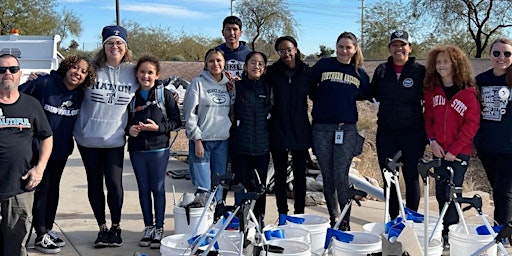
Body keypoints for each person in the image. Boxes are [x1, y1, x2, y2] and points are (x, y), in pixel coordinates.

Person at [19, 55, 95, 254]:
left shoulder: (81, 94)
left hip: (60, 152)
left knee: (52, 191)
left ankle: (46, 230)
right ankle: (37, 234)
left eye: (83, 71)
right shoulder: (44, 83)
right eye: (74, 67)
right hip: (34, 151)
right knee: (37, 192)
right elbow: (15, 98)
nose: (77, 72)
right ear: (66, 67)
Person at [73, 25, 138, 248]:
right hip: (87, 138)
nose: (115, 46)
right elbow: (67, 79)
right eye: (110, 42)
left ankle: (116, 227)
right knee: (94, 183)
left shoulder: (133, 70)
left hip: (114, 139)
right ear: (103, 46)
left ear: (126, 47)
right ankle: (101, 228)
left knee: (114, 183)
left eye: (119, 43)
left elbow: (153, 81)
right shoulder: (91, 68)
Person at [310, 32, 371, 231]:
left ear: (355, 49)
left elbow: (366, 95)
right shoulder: (323, 65)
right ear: (336, 47)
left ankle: (345, 220)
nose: (344, 51)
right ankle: (333, 217)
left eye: (348, 47)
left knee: (340, 175)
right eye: (340, 46)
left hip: (346, 130)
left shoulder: (360, 73)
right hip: (321, 128)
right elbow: (311, 89)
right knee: (327, 175)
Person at [423, 45, 480, 248]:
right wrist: (433, 141)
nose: (441, 66)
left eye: (446, 61)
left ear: (456, 64)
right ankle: (445, 231)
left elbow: (471, 125)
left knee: (453, 194)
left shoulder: (468, 93)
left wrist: (454, 150)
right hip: (439, 150)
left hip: (458, 153)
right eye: (438, 62)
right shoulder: (432, 91)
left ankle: (453, 234)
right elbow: (428, 119)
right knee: (440, 192)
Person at [369, 30, 427, 220]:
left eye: (403, 44)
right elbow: (372, 93)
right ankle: (393, 220)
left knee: (411, 177)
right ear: (390, 48)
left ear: (410, 48)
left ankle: (411, 220)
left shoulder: (420, 72)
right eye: (394, 44)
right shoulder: (382, 70)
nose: (398, 48)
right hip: (386, 133)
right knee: (389, 178)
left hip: (413, 133)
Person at [0, 54, 53, 256]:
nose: (7, 73)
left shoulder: (31, 104)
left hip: (19, 188)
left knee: (15, 245)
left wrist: (39, 168)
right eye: (2, 70)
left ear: (20, 74)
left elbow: (47, 137)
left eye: (13, 69)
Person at [127, 55, 181, 249]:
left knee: (157, 188)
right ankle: (148, 227)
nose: (145, 76)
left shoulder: (163, 95)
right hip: (137, 149)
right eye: (142, 72)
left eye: (150, 72)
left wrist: (157, 128)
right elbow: (122, 122)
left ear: (157, 74)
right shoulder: (130, 95)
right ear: (136, 74)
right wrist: (129, 130)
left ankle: (159, 228)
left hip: (159, 148)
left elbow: (176, 122)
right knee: (143, 188)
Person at [266, 36, 312, 225]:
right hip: (277, 129)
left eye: (289, 49)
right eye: (282, 50)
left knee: (301, 176)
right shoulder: (272, 72)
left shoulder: (307, 72)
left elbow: (318, 96)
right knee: (280, 174)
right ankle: (283, 214)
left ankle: (299, 214)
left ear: (296, 49)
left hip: (300, 130)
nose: (286, 53)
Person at [183, 48, 234, 207]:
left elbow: (231, 111)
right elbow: (190, 113)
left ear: (224, 63)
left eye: (219, 60)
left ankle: (217, 217)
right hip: (202, 142)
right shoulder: (197, 83)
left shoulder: (229, 86)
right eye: (211, 61)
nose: (215, 64)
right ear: (205, 64)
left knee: (218, 185)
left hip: (222, 141)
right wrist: (196, 138)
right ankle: (201, 221)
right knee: (203, 186)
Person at [230, 51, 271, 227]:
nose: (257, 66)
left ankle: (258, 223)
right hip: (240, 147)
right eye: (253, 62)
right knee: (240, 188)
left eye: (261, 63)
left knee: (259, 190)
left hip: (262, 148)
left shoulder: (268, 88)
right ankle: (241, 224)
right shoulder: (236, 87)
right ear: (245, 66)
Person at [475, 38, 512, 226]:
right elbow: (474, 113)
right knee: (497, 189)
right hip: (486, 146)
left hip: (509, 148)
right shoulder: (481, 80)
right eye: (496, 53)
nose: (501, 57)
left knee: (502, 191)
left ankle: (502, 235)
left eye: (507, 53)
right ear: (490, 55)